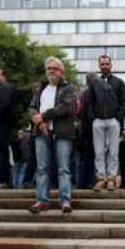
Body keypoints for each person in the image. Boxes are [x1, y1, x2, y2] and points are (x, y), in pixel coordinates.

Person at [27, 56, 78, 214]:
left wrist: (44, 116)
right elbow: (32, 107)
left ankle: (65, 200)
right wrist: (38, 120)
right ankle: (42, 200)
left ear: (61, 71)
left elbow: (67, 107)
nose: (51, 72)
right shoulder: (40, 88)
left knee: (63, 168)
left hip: (62, 133)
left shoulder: (68, 88)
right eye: (48, 69)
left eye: (54, 69)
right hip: (41, 132)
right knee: (42, 168)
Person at [86, 55, 125, 191]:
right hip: (98, 121)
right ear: (99, 65)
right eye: (102, 64)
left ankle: (111, 178)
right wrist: (93, 117)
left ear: (111, 65)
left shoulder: (119, 82)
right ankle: (101, 178)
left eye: (106, 64)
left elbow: (124, 102)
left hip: (113, 120)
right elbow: (89, 102)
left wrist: (118, 118)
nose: (104, 66)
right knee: (99, 151)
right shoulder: (94, 83)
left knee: (113, 152)